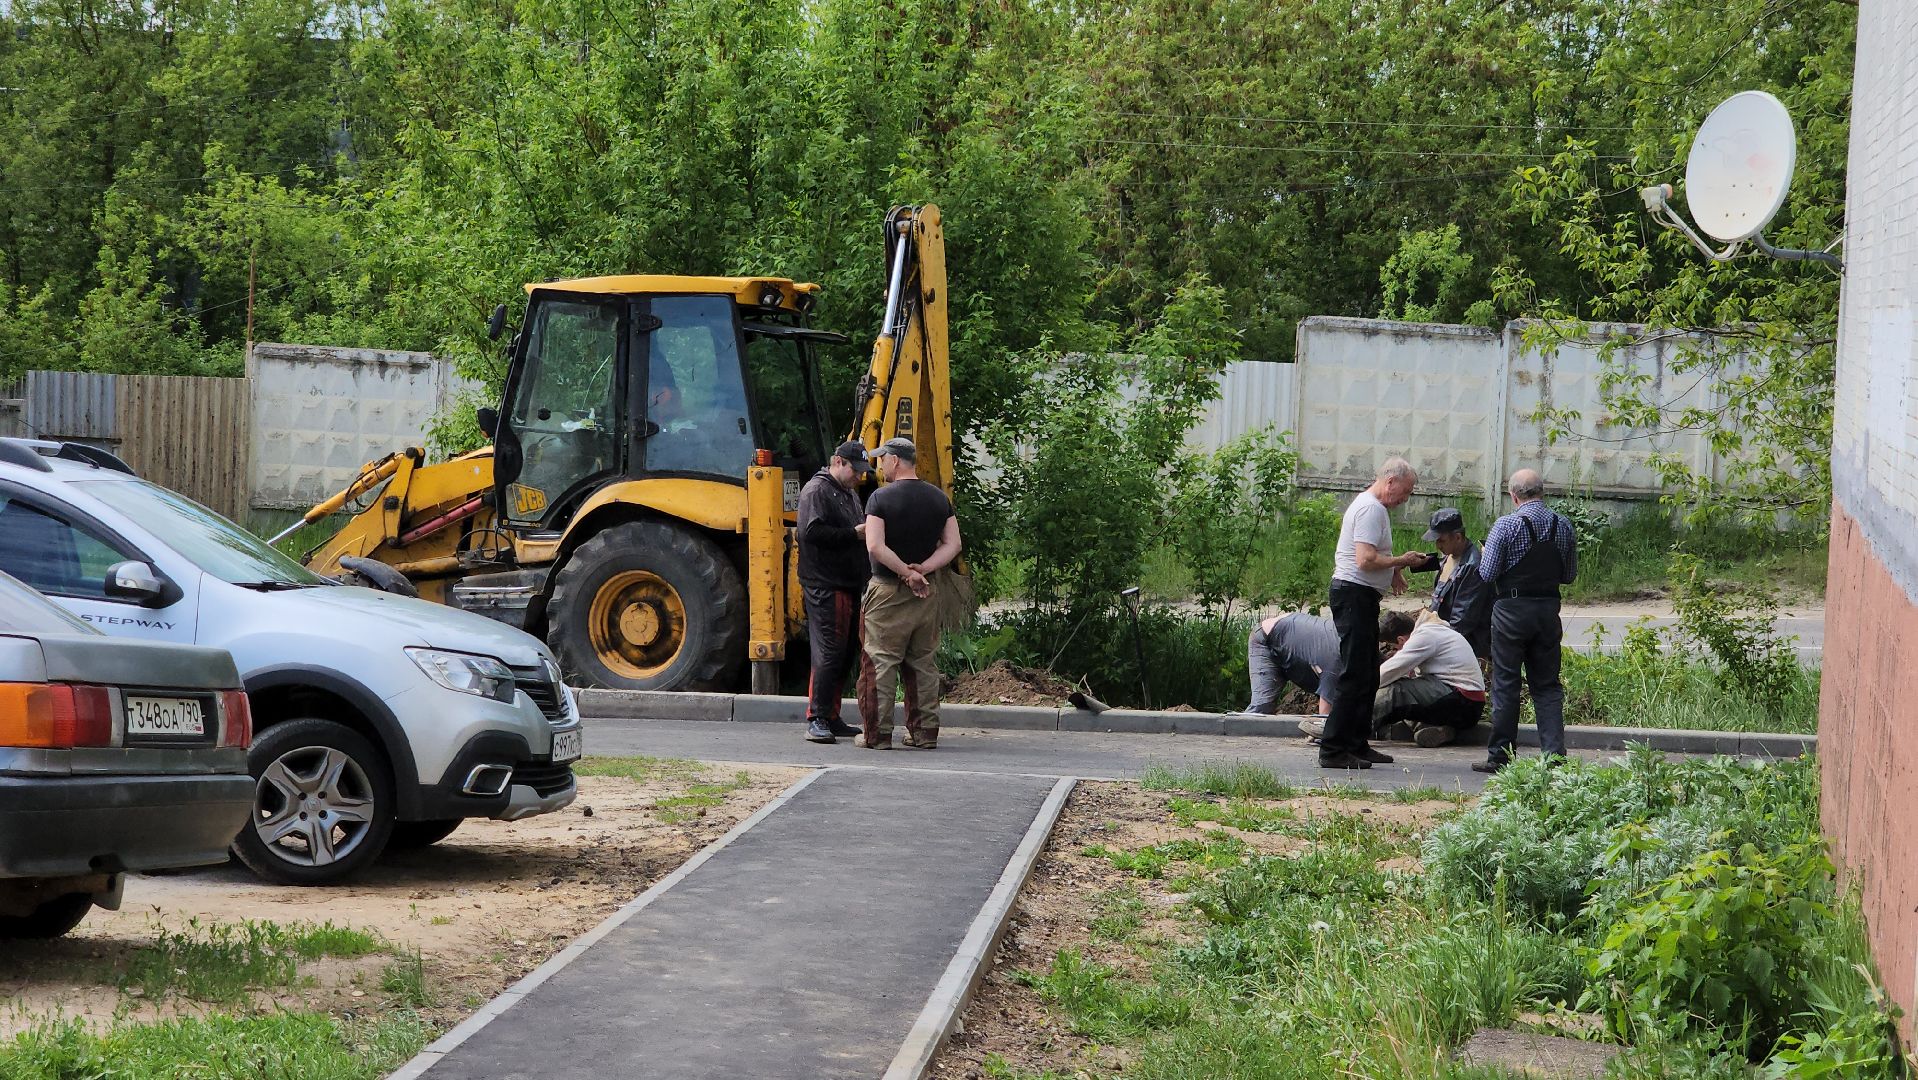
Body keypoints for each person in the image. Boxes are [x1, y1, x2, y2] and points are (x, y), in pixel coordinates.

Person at [1320, 458, 1428, 770]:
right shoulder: (1370, 509)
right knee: (1355, 674)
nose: (1405, 499)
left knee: (1368, 673)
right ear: (1390, 481)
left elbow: (1373, 554)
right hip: (1353, 594)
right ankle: (1332, 748)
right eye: (1404, 492)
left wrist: (1392, 572)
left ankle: (1356, 743)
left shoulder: (1374, 508)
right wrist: (1401, 562)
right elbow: (1366, 559)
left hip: (1361, 596)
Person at [857, 437, 961, 750]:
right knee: (923, 662)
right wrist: (923, 570)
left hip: (887, 590)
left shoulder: (880, 499)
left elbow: (875, 545)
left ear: (896, 460)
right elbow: (953, 544)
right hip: (926, 593)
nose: (880, 464)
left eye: (883, 459)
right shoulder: (938, 498)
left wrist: (905, 573)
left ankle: (877, 735)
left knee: (880, 662)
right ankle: (925, 732)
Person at [1473, 468, 1579, 773]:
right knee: (1547, 686)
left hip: (1511, 610)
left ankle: (1501, 757)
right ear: (1542, 492)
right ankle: (1554, 757)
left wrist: (1485, 554)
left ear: (1513, 495)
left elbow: (1488, 574)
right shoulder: (1564, 525)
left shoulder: (1505, 525)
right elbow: (1569, 575)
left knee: (1506, 683)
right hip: (1547, 610)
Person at [798, 441, 873, 744]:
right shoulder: (817, 491)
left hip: (847, 580)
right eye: (856, 470)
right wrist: (854, 533)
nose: (859, 477)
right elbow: (810, 532)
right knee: (829, 650)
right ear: (839, 462)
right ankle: (817, 716)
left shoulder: (847, 493)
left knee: (844, 653)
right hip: (825, 583)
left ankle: (831, 714)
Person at [1372, 611, 1487, 747]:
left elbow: (1389, 671)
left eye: (1394, 647)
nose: (1396, 651)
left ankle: (1350, 728)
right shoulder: (1434, 631)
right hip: (1467, 704)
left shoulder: (1425, 636)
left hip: (1462, 701)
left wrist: (1360, 692)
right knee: (1406, 700)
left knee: (1396, 691)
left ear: (1400, 640)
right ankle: (1437, 730)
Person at [1408, 508, 1491, 659]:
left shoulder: (1472, 567)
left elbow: (1462, 619)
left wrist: (1438, 647)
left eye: (1441, 540)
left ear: (1458, 537)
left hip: (1459, 645)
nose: (1438, 546)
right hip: (1442, 634)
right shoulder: (1450, 556)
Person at [1243, 612, 1341, 716]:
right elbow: (1325, 716)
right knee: (1261, 708)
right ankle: (1238, 730)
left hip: (1295, 643)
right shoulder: (1336, 660)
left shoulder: (1349, 643)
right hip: (1267, 639)